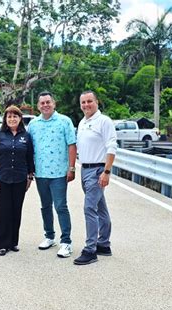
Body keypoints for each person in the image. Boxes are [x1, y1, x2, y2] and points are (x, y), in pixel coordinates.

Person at [28, 91, 77, 258]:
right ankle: (49, 236)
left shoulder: (64, 121)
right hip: (40, 173)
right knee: (45, 206)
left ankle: (66, 242)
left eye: (48, 102)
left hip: (59, 173)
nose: (45, 105)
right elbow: (30, 149)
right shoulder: (33, 124)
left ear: (54, 104)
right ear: (38, 106)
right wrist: (30, 170)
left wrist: (71, 168)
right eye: (42, 103)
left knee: (61, 206)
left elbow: (71, 145)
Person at [73, 91, 117, 265]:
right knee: (100, 207)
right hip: (85, 169)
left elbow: (112, 146)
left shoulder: (104, 121)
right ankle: (104, 243)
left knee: (89, 208)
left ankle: (90, 250)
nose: (86, 105)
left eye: (89, 101)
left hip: (98, 170)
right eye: (83, 102)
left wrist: (106, 172)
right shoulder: (83, 122)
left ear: (97, 102)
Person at [0, 106, 35, 256]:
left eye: (15, 116)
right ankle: (3, 244)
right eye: (9, 117)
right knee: (4, 211)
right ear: (5, 119)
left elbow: (30, 158)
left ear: (20, 119)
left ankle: (13, 242)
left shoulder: (26, 136)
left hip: (20, 179)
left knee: (16, 211)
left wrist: (30, 177)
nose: (12, 119)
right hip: (3, 179)